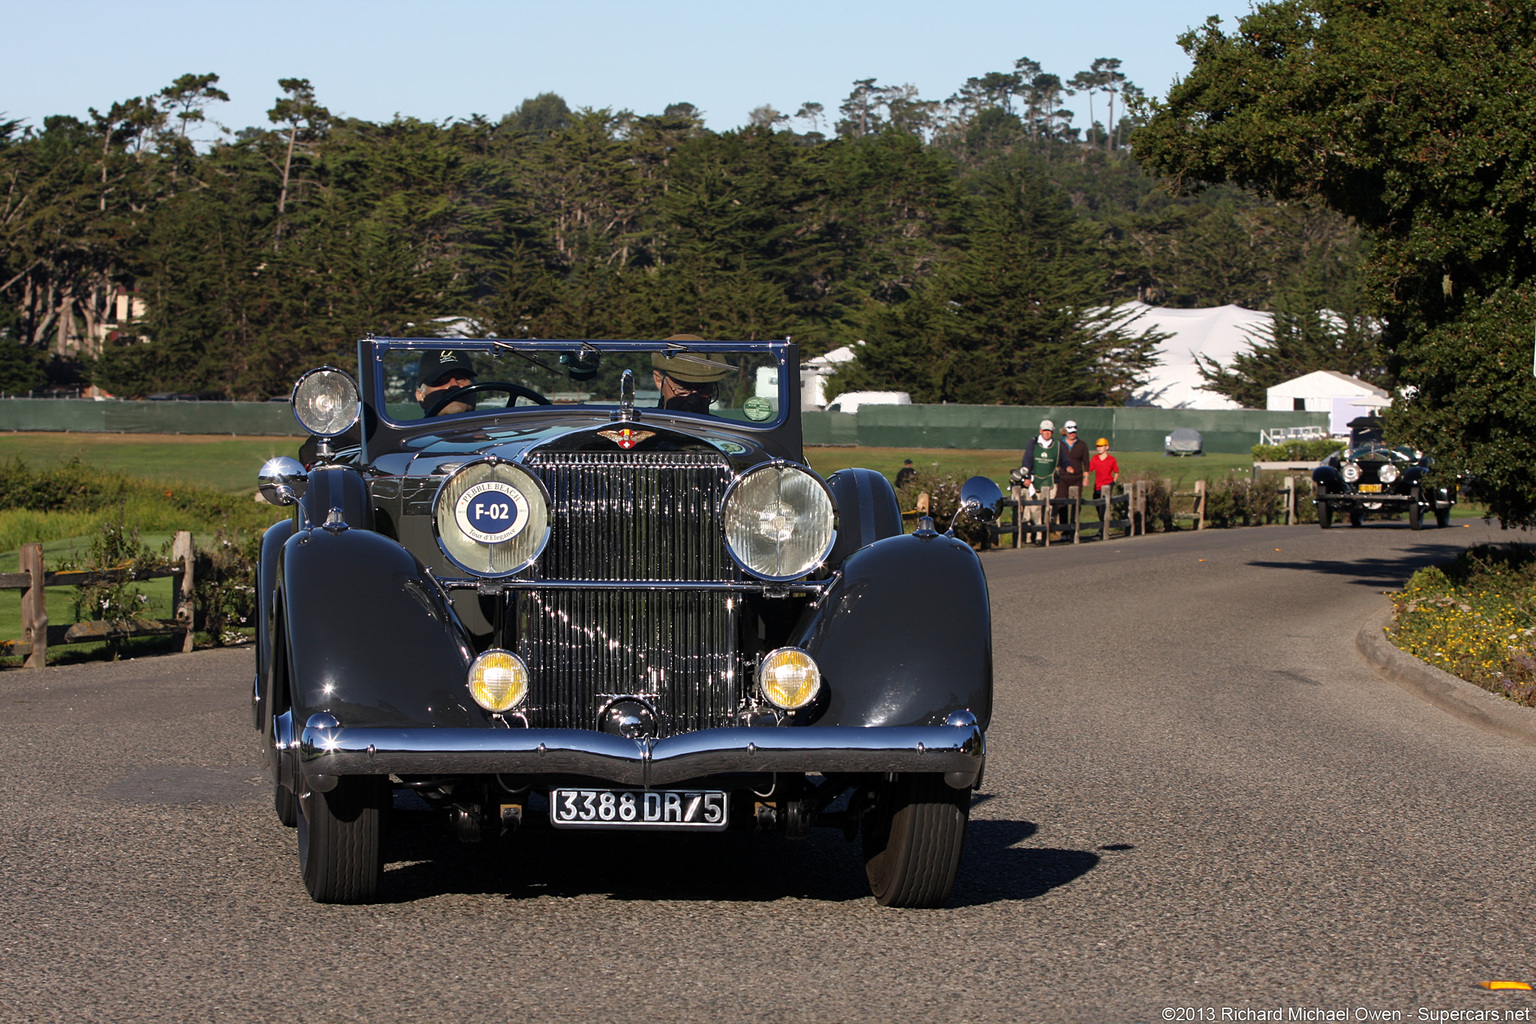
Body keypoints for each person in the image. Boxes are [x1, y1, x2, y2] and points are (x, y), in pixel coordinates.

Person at [652, 335, 731, 414]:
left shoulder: (722, 425)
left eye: (704, 391)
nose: (693, 401)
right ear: (658, 380)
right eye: (683, 390)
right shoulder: (643, 423)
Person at [1011, 419, 1059, 543]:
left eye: (1049, 430)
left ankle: (1041, 536)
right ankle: (1034, 534)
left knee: (1047, 509)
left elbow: (1063, 460)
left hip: (1050, 483)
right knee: (1033, 509)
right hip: (1033, 482)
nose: (1047, 433)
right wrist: (1026, 478)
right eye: (1045, 430)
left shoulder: (1057, 446)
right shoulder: (1033, 443)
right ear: (1040, 431)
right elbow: (1027, 461)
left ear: (1053, 432)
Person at [415, 350, 479, 416]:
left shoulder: (490, 423)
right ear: (420, 396)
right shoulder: (407, 426)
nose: (454, 385)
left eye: (460, 378)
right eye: (441, 381)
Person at [1056, 420, 1091, 527]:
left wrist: (1086, 477)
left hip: (1077, 478)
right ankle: (1064, 529)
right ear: (1065, 432)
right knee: (1061, 503)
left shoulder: (1082, 445)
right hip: (1063, 478)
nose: (1072, 434)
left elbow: (1086, 462)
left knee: (1076, 503)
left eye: (1074, 432)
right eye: (1070, 432)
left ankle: (1074, 526)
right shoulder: (1059, 444)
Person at [1090, 437, 1120, 521]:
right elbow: (1089, 470)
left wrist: (1113, 482)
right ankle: (1102, 525)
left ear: (1107, 447)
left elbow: (1116, 472)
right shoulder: (1095, 458)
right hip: (1097, 487)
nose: (1099, 448)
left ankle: (1104, 528)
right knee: (1098, 507)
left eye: (1101, 446)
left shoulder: (1111, 459)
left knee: (1104, 507)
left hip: (1107, 486)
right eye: (1097, 446)